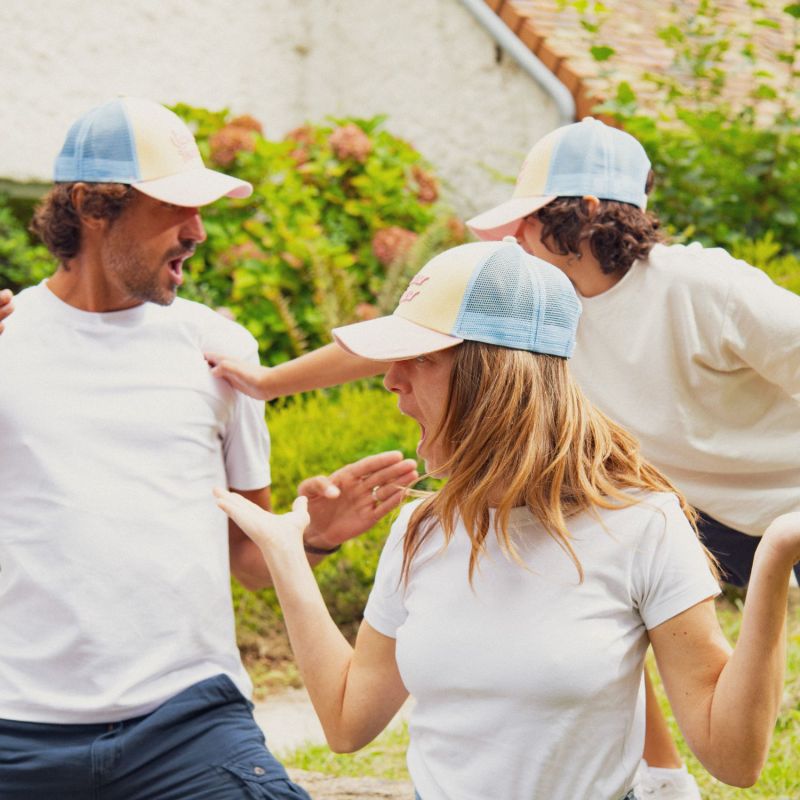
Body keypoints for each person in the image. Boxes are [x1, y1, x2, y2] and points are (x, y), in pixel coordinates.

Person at [213, 238, 800, 800]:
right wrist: (288, 551)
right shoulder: (420, 532)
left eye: (418, 359)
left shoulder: (643, 525)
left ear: (492, 376)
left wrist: (772, 557)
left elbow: (734, 758)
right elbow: (347, 723)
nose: (391, 380)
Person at [0, 97, 417, 800]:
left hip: (187, 727)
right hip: (17, 733)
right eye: (175, 208)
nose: (197, 231)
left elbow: (249, 560)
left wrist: (312, 536)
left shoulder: (221, 350)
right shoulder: (9, 339)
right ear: (91, 207)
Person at [463, 116, 800, 798]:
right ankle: (663, 779)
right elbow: (419, 335)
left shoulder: (700, 287)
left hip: (787, 500)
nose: (516, 238)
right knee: (584, 566)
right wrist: (264, 383)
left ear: (584, 213)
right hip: (702, 514)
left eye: (527, 220)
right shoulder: (557, 319)